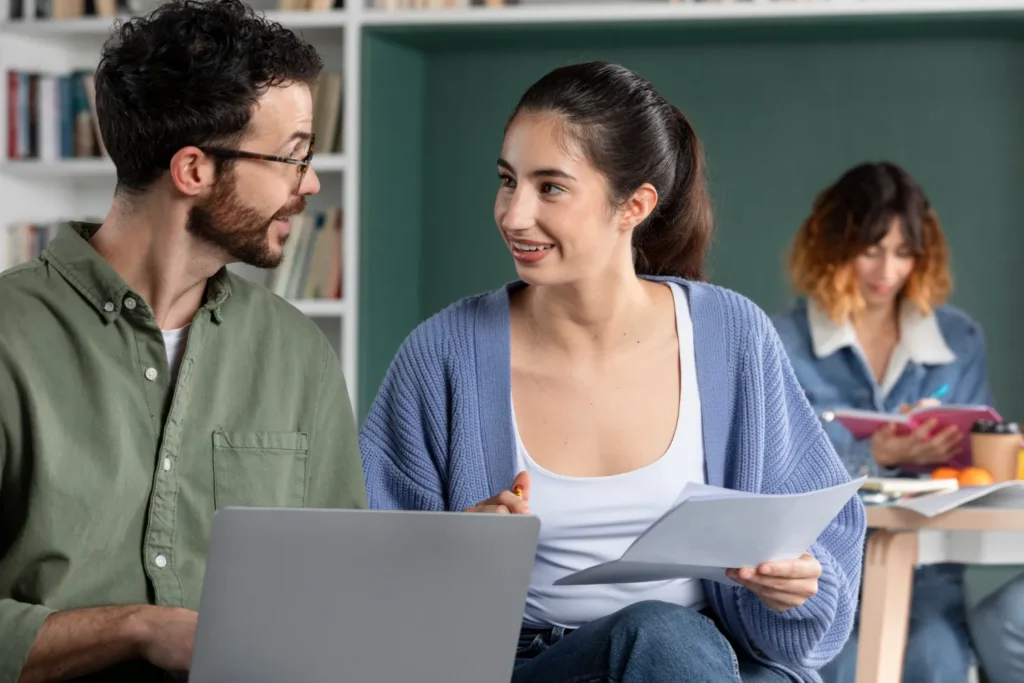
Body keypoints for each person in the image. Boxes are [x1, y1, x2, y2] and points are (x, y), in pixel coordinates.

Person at [360, 61, 866, 683]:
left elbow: (821, 558)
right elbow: (370, 579)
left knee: (666, 638)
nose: (514, 215)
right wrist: (453, 550)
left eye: (550, 187)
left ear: (635, 205)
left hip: (709, 660)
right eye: (507, 180)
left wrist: (792, 584)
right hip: (520, 667)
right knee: (658, 632)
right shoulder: (442, 356)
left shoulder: (732, 336)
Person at [0, 1, 367, 681]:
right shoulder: (9, 337)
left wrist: (441, 554)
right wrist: (138, 629)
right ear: (194, 170)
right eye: (292, 157)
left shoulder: (297, 354)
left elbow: (333, 596)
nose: (310, 182)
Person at [771, 161, 1024, 683]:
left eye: (904, 253)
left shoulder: (958, 339)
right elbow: (777, 468)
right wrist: (876, 455)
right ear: (832, 243)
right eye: (871, 249)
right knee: (840, 666)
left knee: (939, 659)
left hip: (930, 572)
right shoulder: (780, 341)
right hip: (827, 572)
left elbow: (982, 463)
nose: (887, 271)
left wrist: (959, 451)